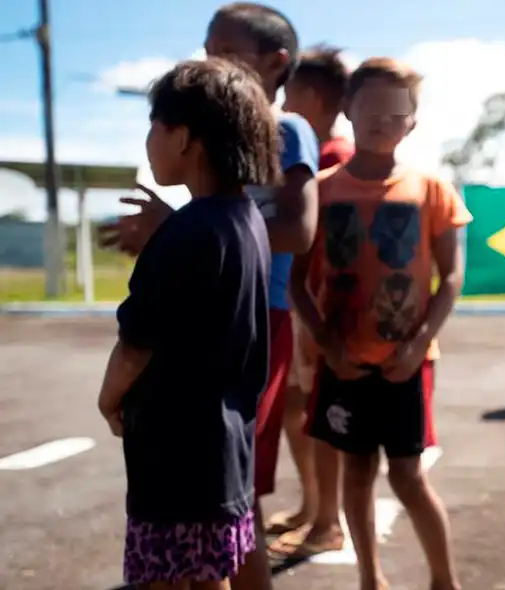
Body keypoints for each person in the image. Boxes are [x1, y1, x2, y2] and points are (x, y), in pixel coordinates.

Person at [98, 4, 320, 589]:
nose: (148, 141)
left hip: (174, 451)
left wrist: (109, 395)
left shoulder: (192, 230)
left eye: (154, 127)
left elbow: (137, 339)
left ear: (188, 139)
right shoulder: (242, 218)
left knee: (173, 575)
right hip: (218, 442)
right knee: (207, 567)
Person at [291, 57, 469, 590]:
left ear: (411, 123)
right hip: (342, 363)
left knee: (410, 477)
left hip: (407, 364)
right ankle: (371, 579)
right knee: (357, 473)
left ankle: (445, 580)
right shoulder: (319, 191)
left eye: (396, 114)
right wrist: (329, 346)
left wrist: (419, 344)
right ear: (348, 108)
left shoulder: (432, 189)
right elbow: (297, 282)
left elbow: (451, 278)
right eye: (370, 108)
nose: (382, 121)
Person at [265, 45, 355, 556]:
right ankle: (314, 506)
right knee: (300, 410)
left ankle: (327, 521)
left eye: (290, 88)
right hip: (302, 307)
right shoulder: (319, 154)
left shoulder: (329, 160)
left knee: (317, 414)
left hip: (316, 310)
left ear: (310, 95)